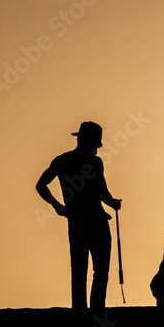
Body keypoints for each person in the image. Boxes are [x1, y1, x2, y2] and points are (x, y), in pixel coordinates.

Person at [36, 121, 122, 311]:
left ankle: (83, 312)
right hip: (90, 222)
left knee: (82, 271)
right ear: (89, 142)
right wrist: (57, 205)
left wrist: (59, 206)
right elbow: (102, 193)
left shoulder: (65, 161)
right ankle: (94, 311)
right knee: (97, 271)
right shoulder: (71, 161)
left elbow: (102, 192)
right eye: (96, 144)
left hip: (82, 222)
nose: (98, 149)